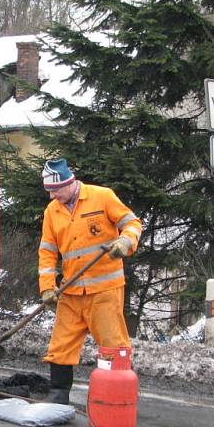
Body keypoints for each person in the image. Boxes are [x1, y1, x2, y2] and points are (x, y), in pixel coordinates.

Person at [38, 158, 142, 404]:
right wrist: (47, 288)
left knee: (113, 345)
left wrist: (125, 242)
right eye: (49, 191)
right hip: (71, 291)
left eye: (56, 190)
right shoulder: (52, 212)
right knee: (60, 346)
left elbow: (132, 223)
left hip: (103, 290)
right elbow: (47, 251)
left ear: (69, 183)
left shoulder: (102, 197)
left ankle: (119, 396)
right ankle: (58, 395)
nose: (53, 196)